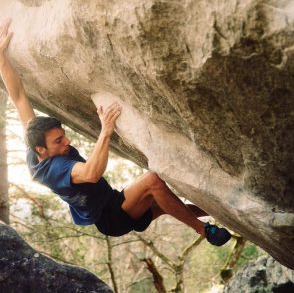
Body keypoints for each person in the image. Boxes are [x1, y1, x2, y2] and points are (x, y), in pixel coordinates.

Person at [0, 18, 231, 246]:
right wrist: (106, 131)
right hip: (111, 216)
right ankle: (204, 231)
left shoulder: (35, 144)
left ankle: (224, 213)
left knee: (165, 204)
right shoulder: (55, 169)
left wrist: (1, 58)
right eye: (59, 141)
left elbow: (18, 97)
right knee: (152, 181)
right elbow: (91, 173)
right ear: (43, 149)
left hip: (114, 203)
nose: (67, 141)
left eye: (63, 135)